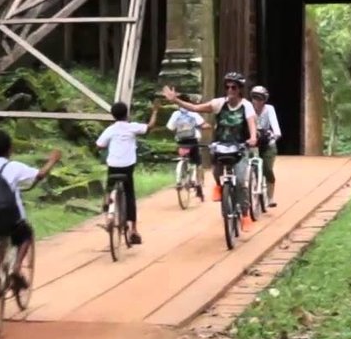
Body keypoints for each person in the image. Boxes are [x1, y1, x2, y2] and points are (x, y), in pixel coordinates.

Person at [162, 72, 255, 231]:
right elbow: (195, 108)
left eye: (234, 87)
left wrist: (252, 138)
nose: (230, 90)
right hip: (221, 145)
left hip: (239, 146)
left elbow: (251, 123)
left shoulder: (246, 105)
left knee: (240, 181)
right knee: (216, 170)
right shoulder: (219, 103)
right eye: (228, 87)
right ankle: (220, 186)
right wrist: (176, 100)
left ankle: (245, 215)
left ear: (239, 89)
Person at [0, 129, 60, 290]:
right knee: (26, 234)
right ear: (10, 149)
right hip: (10, 217)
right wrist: (52, 161)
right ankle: (16, 267)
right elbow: (40, 175)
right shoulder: (14, 167)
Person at [96, 100, 156, 245]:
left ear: (113, 115)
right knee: (129, 195)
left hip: (114, 165)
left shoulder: (110, 129)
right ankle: (134, 230)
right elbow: (149, 127)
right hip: (127, 167)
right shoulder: (132, 127)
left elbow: (99, 145)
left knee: (109, 186)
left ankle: (107, 207)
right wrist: (155, 111)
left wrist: (105, 148)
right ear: (127, 114)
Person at [159, 93, 207, 201]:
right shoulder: (193, 113)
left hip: (181, 141)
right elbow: (203, 124)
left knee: (183, 157)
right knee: (198, 163)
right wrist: (206, 127)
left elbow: (170, 127)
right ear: (188, 102)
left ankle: (180, 179)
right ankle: (198, 184)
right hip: (193, 141)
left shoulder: (175, 114)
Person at [248, 85, 282, 207]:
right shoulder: (247, 109)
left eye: (260, 98)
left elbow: (275, 127)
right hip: (252, 142)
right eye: (254, 98)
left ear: (264, 99)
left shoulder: (269, 109)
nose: (257, 101)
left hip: (267, 142)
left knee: (267, 169)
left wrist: (275, 135)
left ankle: (270, 197)